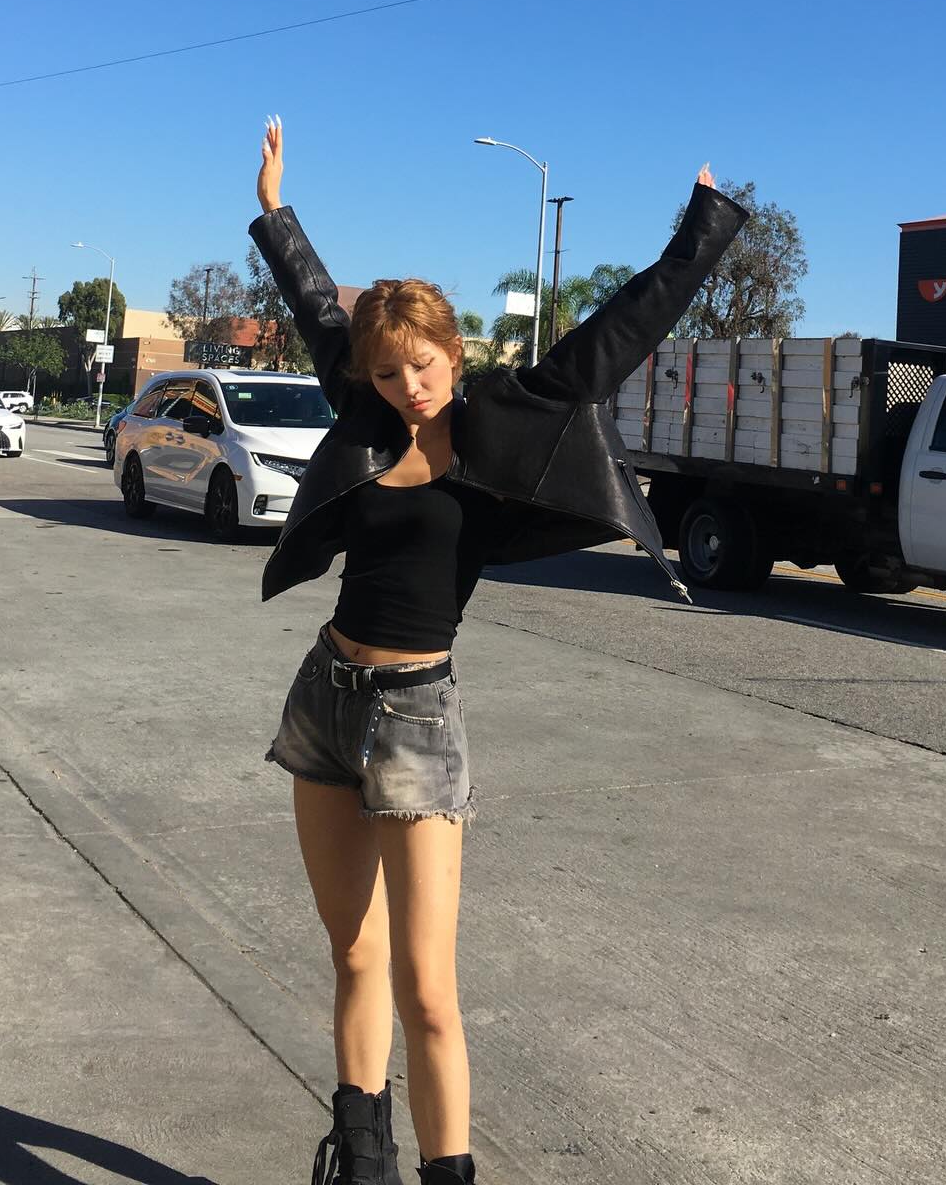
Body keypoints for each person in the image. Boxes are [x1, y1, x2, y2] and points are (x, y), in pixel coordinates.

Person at [250, 118, 747, 1185]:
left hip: (416, 717)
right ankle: (363, 1160)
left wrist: (700, 230)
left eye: (423, 366)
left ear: (456, 352)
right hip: (326, 697)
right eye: (390, 374)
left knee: (428, 990)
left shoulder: (507, 421)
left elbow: (620, 332)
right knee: (353, 953)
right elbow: (317, 308)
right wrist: (276, 211)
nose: (408, 387)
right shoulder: (366, 414)